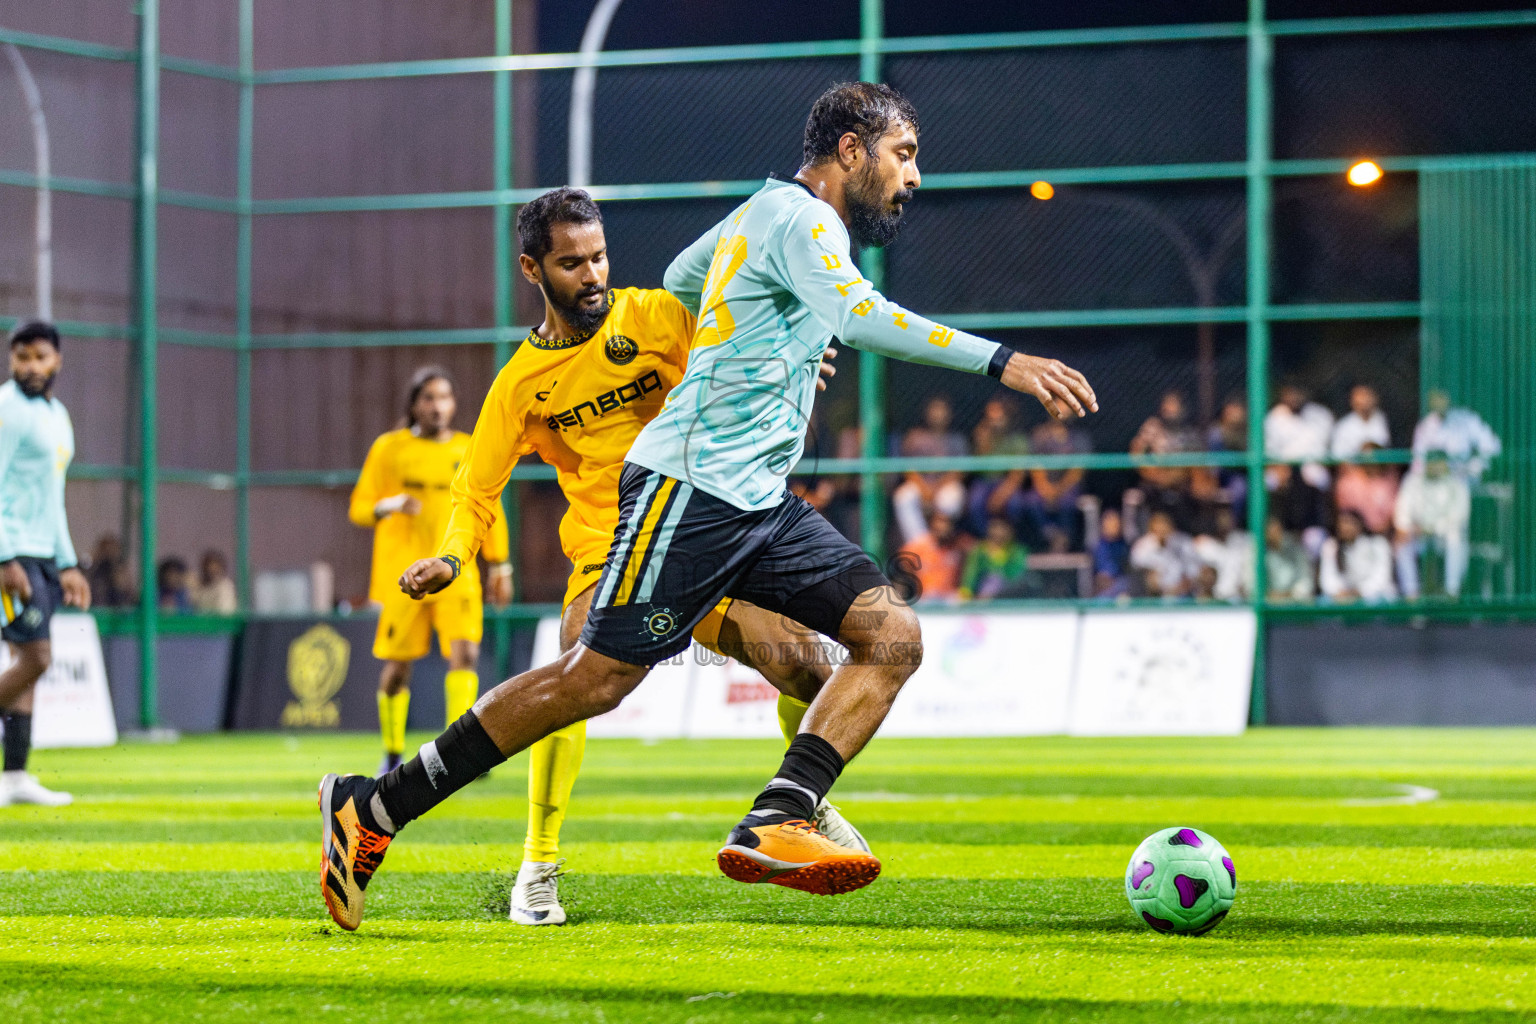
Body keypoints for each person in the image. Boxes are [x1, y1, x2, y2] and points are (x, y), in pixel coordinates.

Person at [317, 81, 1098, 932]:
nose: (914, 176)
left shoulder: (761, 214)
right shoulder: (802, 221)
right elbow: (857, 312)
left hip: (758, 500)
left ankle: (784, 810)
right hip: (688, 493)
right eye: (903, 154)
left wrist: (762, 340)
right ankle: (375, 808)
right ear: (850, 151)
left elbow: (689, 280)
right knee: (592, 682)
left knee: (888, 636)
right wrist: (1003, 362)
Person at [351, 189, 847, 927]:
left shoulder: (652, 317)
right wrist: (455, 556)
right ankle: (537, 866)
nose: (593, 275)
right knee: (576, 670)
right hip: (608, 551)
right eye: (571, 263)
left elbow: (728, 358)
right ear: (532, 268)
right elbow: (475, 488)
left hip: (696, 533)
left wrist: (781, 369)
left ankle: (803, 807)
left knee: (812, 670)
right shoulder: (520, 383)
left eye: (599, 257)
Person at [349, 368, 512, 777]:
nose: (437, 406)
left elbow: (487, 508)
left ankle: (458, 752)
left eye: (444, 397)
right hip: (404, 578)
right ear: (413, 404)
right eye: (428, 398)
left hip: (457, 572)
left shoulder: (467, 448)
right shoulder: (389, 449)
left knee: (465, 654)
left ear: (453, 403)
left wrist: (500, 565)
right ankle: (391, 750)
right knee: (397, 669)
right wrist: (389, 504)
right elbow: (359, 507)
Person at [0, 322, 91, 807]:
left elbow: (53, 497)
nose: (28, 366)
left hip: (41, 555)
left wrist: (69, 563)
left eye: (38, 356)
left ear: (57, 360)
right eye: (20, 357)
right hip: (10, 553)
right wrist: (4, 558)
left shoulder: (58, 417)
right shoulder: (7, 410)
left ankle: (13, 777)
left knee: (26, 666)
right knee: (37, 658)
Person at [891, 394, 968, 543]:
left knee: (951, 500)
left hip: (945, 485)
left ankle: (943, 544)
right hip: (920, 484)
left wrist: (936, 488)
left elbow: (959, 471)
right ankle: (921, 545)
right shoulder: (915, 437)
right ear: (927, 412)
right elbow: (907, 467)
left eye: (943, 410)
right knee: (903, 497)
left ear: (950, 413)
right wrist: (924, 488)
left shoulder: (957, 439)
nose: (939, 414)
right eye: (935, 409)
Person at [1394, 450, 1470, 599]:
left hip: (1444, 537)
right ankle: (1412, 594)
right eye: (1431, 462)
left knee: (1455, 538)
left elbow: (1459, 517)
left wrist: (1432, 528)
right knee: (1401, 543)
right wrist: (1406, 527)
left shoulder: (1457, 483)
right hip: (1419, 537)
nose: (1434, 466)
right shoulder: (1413, 481)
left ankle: (1451, 592)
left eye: (1438, 462)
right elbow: (1402, 512)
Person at [1129, 390, 1202, 532]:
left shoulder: (1189, 432)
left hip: (1180, 479)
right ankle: (1149, 533)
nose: (1170, 410)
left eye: (1174, 406)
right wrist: (1152, 473)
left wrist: (1175, 476)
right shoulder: (1153, 426)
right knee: (1148, 493)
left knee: (1192, 495)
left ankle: (1185, 534)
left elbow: (1195, 461)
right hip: (1154, 477)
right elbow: (1136, 452)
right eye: (1168, 406)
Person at [963, 396, 1030, 538]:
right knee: (975, 503)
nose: (994, 418)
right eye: (990, 414)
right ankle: (987, 538)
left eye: (998, 413)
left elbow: (1017, 475)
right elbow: (978, 467)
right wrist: (983, 440)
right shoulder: (982, 435)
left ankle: (1009, 539)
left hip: (1005, 481)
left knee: (1014, 504)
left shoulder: (1017, 439)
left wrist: (1000, 496)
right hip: (984, 481)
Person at [1023, 417, 1089, 551]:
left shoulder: (1078, 437)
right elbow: (1036, 465)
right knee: (1031, 501)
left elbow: (1077, 470)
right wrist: (1045, 488)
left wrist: (1058, 490)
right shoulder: (1040, 435)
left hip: (1067, 487)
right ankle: (1049, 536)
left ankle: (1064, 539)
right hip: (1044, 486)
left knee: (1067, 502)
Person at [1412, 389, 1501, 483]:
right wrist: (1433, 468)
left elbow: (1492, 446)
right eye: (1435, 397)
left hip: (1464, 482)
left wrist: (1473, 467)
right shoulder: (1424, 426)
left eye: (1442, 396)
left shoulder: (1466, 419)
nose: (1439, 401)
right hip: (1435, 485)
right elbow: (1417, 461)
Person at [1265, 383, 1333, 490]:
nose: (1294, 397)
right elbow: (1269, 451)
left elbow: (1325, 448)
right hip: (1283, 466)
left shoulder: (1320, 414)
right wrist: (1278, 467)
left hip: (1313, 464)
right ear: (1283, 395)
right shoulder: (1273, 417)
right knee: (1269, 482)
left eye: (1297, 392)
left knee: (1321, 479)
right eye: (1290, 393)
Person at [1318, 510, 1396, 604]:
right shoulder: (1331, 546)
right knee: (1324, 602)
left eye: (1349, 523)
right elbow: (1327, 578)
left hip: (1376, 594)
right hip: (1344, 596)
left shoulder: (1378, 544)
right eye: (1341, 524)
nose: (1345, 528)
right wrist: (1340, 592)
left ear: (1359, 525)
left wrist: (1360, 592)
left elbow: (1381, 577)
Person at [1129, 510, 1200, 598]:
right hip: (1154, 592)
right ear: (1152, 527)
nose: (1162, 528)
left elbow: (1193, 566)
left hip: (1182, 589)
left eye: (1164, 524)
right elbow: (1136, 567)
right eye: (1158, 525)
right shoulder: (1144, 545)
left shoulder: (1183, 541)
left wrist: (1186, 582)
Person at [1334, 442, 1400, 536]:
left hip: (1384, 535)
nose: (1370, 462)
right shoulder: (1349, 481)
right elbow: (1344, 514)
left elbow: (1395, 513)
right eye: (1366, 459)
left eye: (1374, 458)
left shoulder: (1390, 479)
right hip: (1356, 536)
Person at [897, 511, 965, 602]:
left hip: (950, 598)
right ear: (932, 525)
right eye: (940, 522)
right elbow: (901, 563)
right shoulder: (920, 545)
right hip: (926, 598)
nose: (943, 527)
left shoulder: (957, 546)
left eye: (946, 523)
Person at [958, 516, 1029, 601]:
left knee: (995, 579)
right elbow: (971, 573)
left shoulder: (1017, 551)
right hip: (980, 597)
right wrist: (966, 592)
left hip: (1010, 595)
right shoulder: (979, 550)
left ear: (1010, 531)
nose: (998, 532)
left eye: (1002, 528)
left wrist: (998, 559)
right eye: (995, 527)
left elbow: (1014, 574)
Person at [1329, 384, 1390, 460]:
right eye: (1360, 397)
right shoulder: (1344, 426)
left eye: (1366, 396)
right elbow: (1338, 457)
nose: (1364, 401)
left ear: (1375, 397)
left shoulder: (1388, 420)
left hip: (1382, 467)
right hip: (1354, 468)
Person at [1263, 517, 1314, 603]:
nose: (1273, 533)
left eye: (1276, 529)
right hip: (1269, 605)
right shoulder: (1258, 552)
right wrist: (1271, 596)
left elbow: (1306, 581)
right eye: (1269, 530)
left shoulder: (1295, 548)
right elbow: (1252, 587)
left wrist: (1290, 594)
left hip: (1294, 605)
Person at [1091, 508, 1131, 598]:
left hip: (1121, 584)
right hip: (1100, 587)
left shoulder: (1125, 545)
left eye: (1115, 523)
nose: (1113, 526)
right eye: (1109, 523)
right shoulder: (1095, 545)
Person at [190, 550, 238, 614]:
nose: (212, 571)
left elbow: (225, 612)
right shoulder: (201, 587)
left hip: (221, 623)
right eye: (209, 568)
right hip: (202, 622)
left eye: (216, 568)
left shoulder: (225, 587)